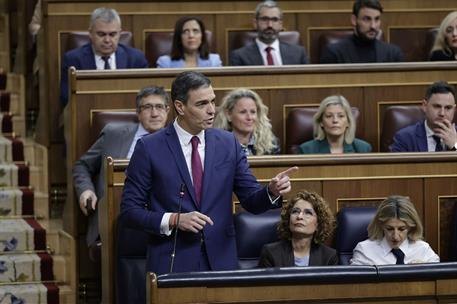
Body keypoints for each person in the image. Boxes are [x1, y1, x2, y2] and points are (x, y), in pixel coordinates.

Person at [120, 71, 298, 275]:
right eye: (202, 104)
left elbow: (251, 200)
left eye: (213, 102)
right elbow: (129, 212)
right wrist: (174, 219)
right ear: (180, 107)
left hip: (220, 260)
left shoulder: (228, 143)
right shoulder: (149, 148)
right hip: (172, 260)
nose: (212, 110)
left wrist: (271, 191)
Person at [73, 86, 170, 254]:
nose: (154, 113)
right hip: (114, 217)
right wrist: (86, 190)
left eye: (159, 107)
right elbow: (82, 165)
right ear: (138, 113)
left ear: (168, 111)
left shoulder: (178, 142)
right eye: (147, 107)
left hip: (161, 217)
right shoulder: (113, 134)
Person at [60, 7, 148, 107]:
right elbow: (66, 99)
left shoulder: (136, 59)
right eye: (101, 34)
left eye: (112, 34)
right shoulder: (74, 59)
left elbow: (145, 97)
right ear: (90, 33)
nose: (107, 40)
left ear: (119, 34)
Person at [351, 195, 439, 265]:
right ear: (381, 225)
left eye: (402, 229)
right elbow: (355, 285)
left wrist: (424, 271)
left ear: (411, 227)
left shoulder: (423, 250)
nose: (395, 236)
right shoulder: (365, 250)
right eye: (389, 229)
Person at [258, 190, 338, 267]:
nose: (299, 217)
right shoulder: (271, 253)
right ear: (288, 219)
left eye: (308, 213)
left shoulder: (329, 256)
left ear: (318, 223)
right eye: (295, 211)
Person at [320, 0, 403, 64]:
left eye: (377, 19)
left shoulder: (393, 53)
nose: (373, 26)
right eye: (367, 19)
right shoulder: (334, 53)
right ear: (354, 20)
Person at [229, 1, 307, 66]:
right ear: (255, 23)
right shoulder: (240, 56)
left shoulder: (298, 53)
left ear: (281, 24)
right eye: (264, 19)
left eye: (274, 19)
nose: (270, 25)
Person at [390, 81, 457, 152]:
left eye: (448, 108)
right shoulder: (405, 138)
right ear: (425, 106)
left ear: (454, 110)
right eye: (437, 106)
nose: (442, 113)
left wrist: (455, 145)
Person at [214, 88, 280, 156]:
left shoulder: (270, 144)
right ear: (229, 115)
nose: (249, 117)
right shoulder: (217, 144)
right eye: (243, 112)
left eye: (253, 112)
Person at [299, 95, 371, 154]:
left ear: (348, 122)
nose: (335, 120)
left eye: (341, 116)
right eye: (329, 116)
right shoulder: (307, 150)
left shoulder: (363, 148)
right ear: (321, 122)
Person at [156, 16, 222, 68]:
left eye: (195, 31)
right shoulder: (165, 63)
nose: (191, 35)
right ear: (179, 37)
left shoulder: (214, 61)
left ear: (202, 36)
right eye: (186, 31)